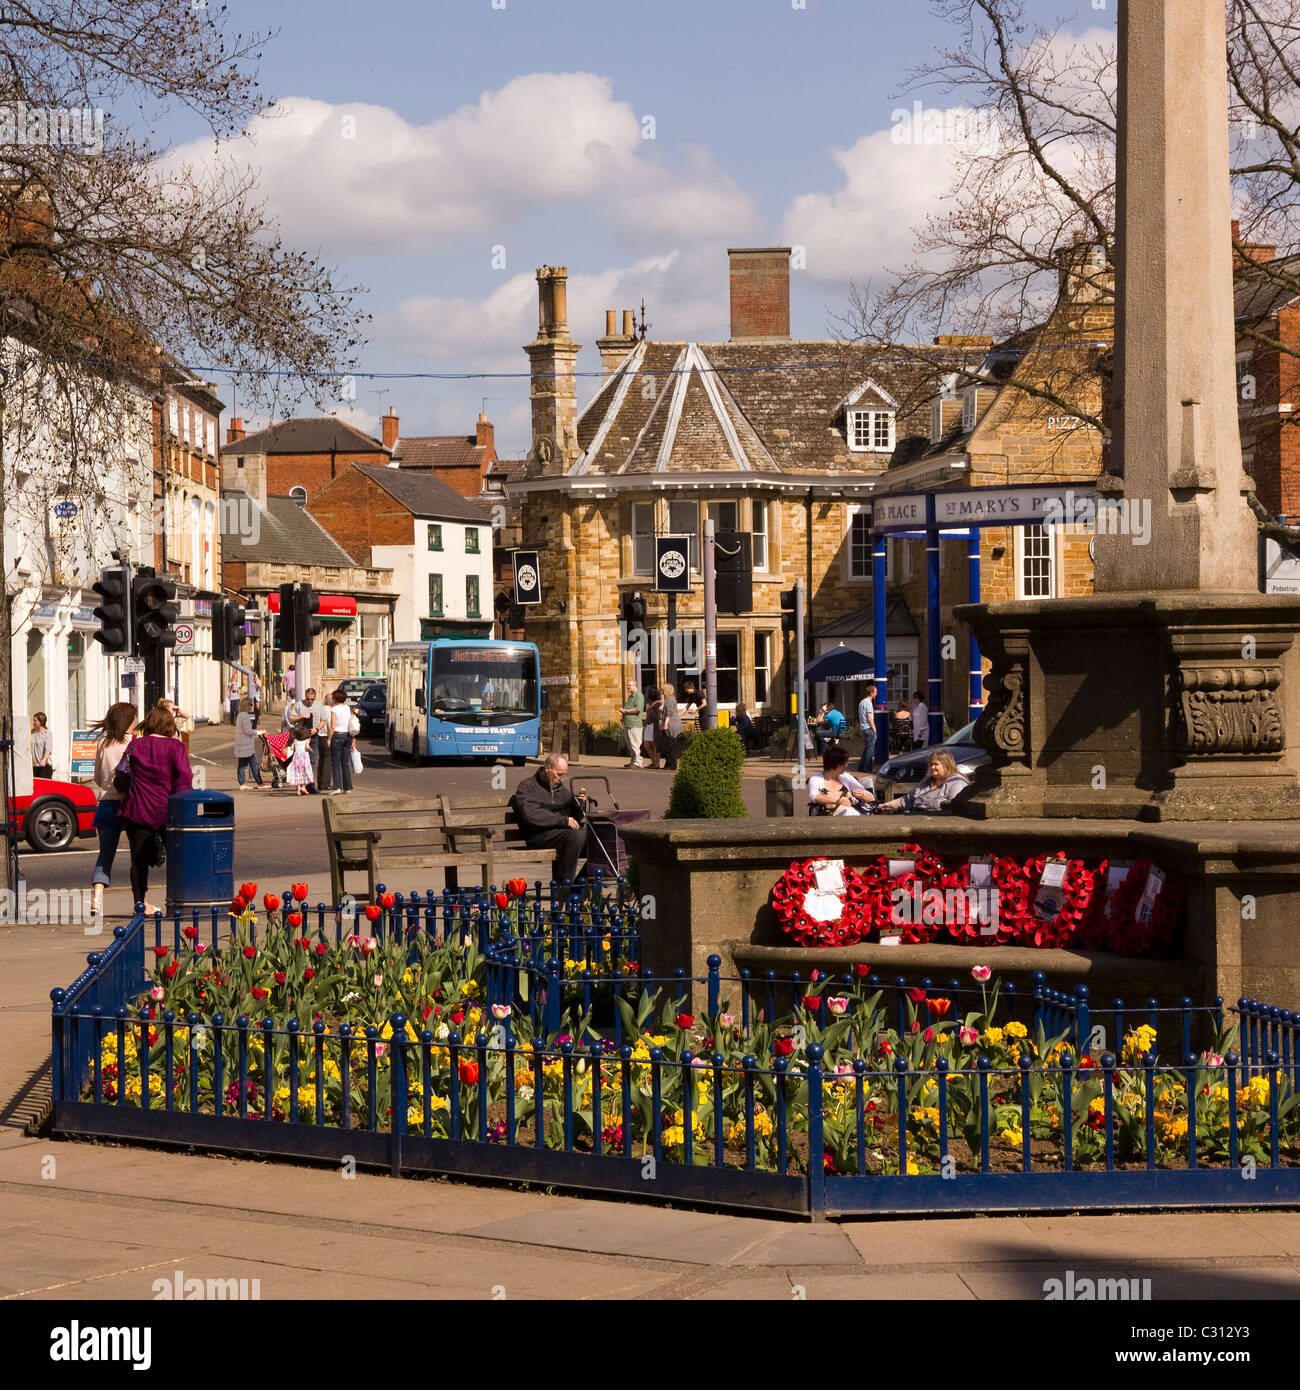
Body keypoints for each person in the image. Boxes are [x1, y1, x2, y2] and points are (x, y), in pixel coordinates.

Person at [118, 704, 193, 914]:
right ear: (169, 725)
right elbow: (184, 778)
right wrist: (182, 802)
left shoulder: (136, 745)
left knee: (138, 861)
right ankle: (178, 900)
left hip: (138, 809)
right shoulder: (176, 747)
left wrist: (125, 791)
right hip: (168, 811)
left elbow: (122, 773)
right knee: (177, 859)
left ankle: (139, 903)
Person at [510, 754, 596, 882]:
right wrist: (564, 821)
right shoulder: (527, 787)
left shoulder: (561, 789)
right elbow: (531, 815)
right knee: (576, 837)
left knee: (598, 837)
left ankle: (579, 887)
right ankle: (564, 888)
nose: (561, 779)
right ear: (548, 768)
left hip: (560, 834)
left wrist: (579, 805)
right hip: (539, 836)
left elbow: (574, 819)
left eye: (563, 775)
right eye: (559, 774)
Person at [88, 701, 136, 918]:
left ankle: (96, 900)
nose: (136, 721)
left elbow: (97, 777)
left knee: (105, 854)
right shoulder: (133, 743)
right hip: (129, 804)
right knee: (138, 854)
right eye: (133, 718)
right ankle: (140, 901)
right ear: (127, 720)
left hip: (106, 804)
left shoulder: (103, 744)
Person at [877, 749, 970, 814]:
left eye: (936, 764)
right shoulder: (927, 782)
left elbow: (955, 810)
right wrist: (884, 805)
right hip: (914, 819)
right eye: (931, 764)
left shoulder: (956, 783)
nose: (932, 767)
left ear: (946, 765)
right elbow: (906, 800)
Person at [808, 746, 875, 816]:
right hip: (827, 818)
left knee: (849, 812)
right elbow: (814, 797)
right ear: (834, 764)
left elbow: (871, 797)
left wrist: (863, 795)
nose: (846, 765)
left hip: (849, 813)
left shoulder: (846, 777)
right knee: (849, 812)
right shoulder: (816, 779)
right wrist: (837, 800)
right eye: (844, 763)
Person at [301, 686, 332, 791]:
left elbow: (324, 721)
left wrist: (317, 729)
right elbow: (291, 720)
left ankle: (310, 785)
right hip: (303, 736)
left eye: (312, 699)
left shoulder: (320, 706)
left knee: (314, 761)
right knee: (307, 761)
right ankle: (306, 785)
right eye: (308, 699)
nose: (310, 701)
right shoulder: (299, 705)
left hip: (315, 736)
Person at [326, 688, 354, 795]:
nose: (332, 699)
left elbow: (332, 726)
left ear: (336, 698)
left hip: (337, 735)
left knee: (336, 763)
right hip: (347, 736)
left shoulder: (334, 709)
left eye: (333, 698)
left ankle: (337, 786)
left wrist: (329, 738)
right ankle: (348, 787)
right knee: (345, 763)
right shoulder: (347, 708)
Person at [234, 698, 262, 789]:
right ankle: (260, 783)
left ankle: (242, 784)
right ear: (245, 705)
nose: (251, 706)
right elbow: (247, 730)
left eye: (252, 704)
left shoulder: (240, 715)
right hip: (246, 746)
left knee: (242, 764)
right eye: (250, 704)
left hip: (240, 745)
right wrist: (259, 732)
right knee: (254, 764)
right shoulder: (245, 715)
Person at [285, 719, 315, 796]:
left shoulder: (295, 740)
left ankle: (299, 789)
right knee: (306, 772)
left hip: (296, 758)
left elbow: (291, 748)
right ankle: (303, 787)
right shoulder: (306, 740)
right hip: (304, 757)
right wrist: (311, 750)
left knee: (298, 773)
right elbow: (307, 747)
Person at [620, 679, 646, 769]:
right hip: (628, 724)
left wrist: (625, 711)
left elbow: (637, 709)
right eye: (627, 685)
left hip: (634, 724)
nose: (627, 687)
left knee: (635, 744)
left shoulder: (639, 696)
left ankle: (638, 762)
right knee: (629, 744)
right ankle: (633, 760)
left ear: (635, 686)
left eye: (629, 685)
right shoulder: (631, 696)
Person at [659, 683, 683, 770]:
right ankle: (668, 764)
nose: (661, 691)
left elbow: (669, 713)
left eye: (662, 690)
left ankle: (673, 765)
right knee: (667, 744)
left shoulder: (670, 700)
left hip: (672, 724)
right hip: (669, 723)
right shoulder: (668, 700)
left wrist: (665, 724)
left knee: (671, 744)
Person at [857, 682, 878, 774]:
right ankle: (868, 768)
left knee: (867, 748)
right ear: (871, 693)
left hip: (864, 728)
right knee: (870, 749)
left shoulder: (862, 702)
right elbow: (870, 718)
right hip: (869, 728)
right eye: (875, 692)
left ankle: (861, 767)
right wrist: (874, 729)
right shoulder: (868, 703)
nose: (876, 694)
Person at [642, 687, 662, 770]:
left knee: (654, 744)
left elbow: (658, 716)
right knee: (646, 744)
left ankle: (656, 763)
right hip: (649, 725)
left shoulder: (658, 704)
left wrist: (650, 709)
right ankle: (653, 761)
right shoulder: (651, 703)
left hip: (654, 725)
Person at [30, 712, 52, 779]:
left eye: (35, 721)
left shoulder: (47, 733)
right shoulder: (31, 732)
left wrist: (44, 760)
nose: (33, 722)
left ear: (41, 722)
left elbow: (49, 749)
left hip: (44, 766)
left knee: (45, 788)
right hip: (33, 765)